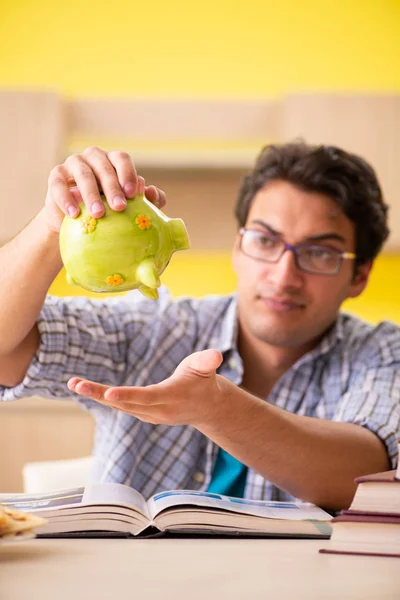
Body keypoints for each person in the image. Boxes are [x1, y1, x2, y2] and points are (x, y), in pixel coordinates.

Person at [0, 143, 399, 511]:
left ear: (359, 274)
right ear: (237, 248)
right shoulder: (153, 330)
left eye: (319, 252)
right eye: (264, 240)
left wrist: (218, 408)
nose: (283, 276)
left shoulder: (382, 353)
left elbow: (366, 478)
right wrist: (51, 228)